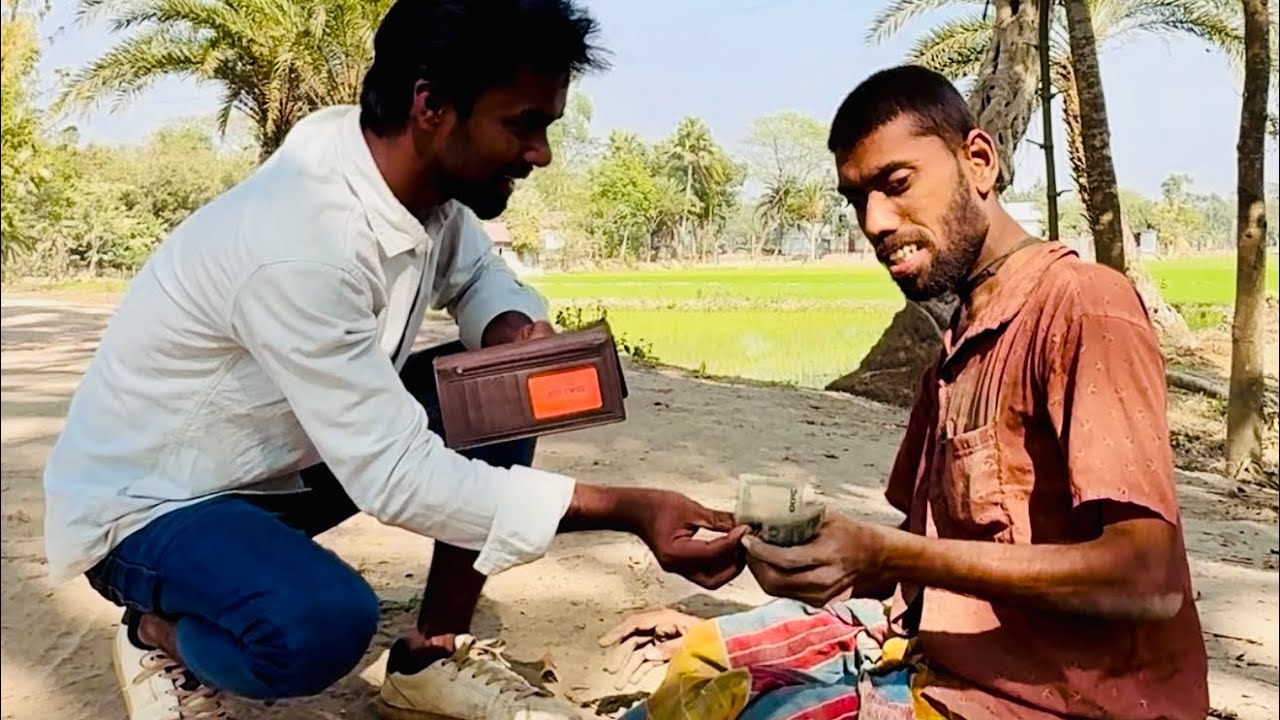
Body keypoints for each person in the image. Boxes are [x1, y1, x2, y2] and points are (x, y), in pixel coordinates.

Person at [40, 2, 749, 719]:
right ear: (431, 105)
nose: (541, 154)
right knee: (318, 625)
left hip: (276, 468)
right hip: (153, 506)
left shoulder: (418, 191)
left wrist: (505, 324)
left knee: (505, 390)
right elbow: (396, 477)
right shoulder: (299, 241)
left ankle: (430, 656)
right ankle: (155, 632)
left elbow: (476, 276)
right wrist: (627, 507)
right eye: (523, 124)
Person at [601, 65, 1209, 720]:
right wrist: (775, 557)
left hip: (1055, 700)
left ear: (978, 161)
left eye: (896, 185)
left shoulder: (1085, 305)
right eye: (856, 200)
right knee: (695, 671)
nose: (875, 221)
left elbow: (1147, 581)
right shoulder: (958, 341)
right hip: (935, 651)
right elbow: (923, 550)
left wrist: (884, 551)